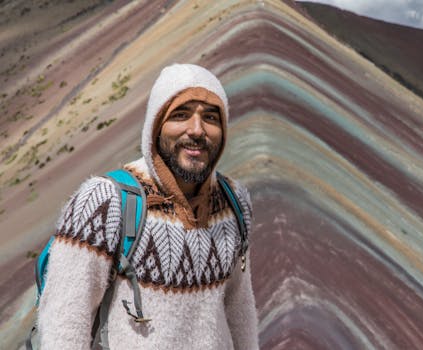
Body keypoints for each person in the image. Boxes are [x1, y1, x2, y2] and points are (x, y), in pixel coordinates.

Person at [37, 63, 259, 349]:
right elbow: (64, 323)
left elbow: (240, 311)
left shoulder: (234, 203)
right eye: (180, 115)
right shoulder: (104, 202)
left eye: (211, 117)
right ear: (156, 126)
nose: (197, 130)